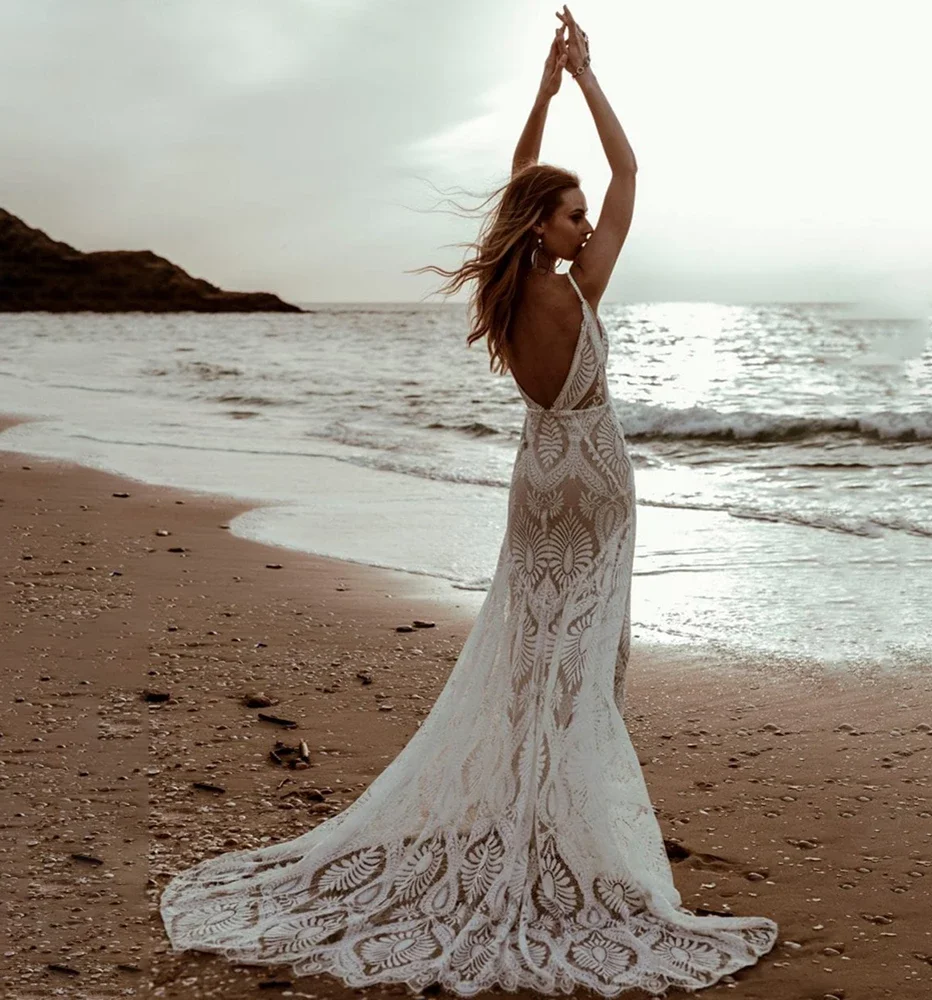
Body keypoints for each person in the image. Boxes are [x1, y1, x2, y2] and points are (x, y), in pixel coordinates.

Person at [159, 7, 779, 994]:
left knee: (534, 649)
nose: (585, 225)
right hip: (596, 484)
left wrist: (540, 96)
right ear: (547, 225)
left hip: (534, 485)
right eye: (569, 216)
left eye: (580, 218)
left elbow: (529, 187)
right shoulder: (578, 291)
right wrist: (585, 83)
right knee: (585, 657)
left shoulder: (504, 287)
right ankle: (567, 823)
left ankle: (538, 808)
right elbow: (631, 176)